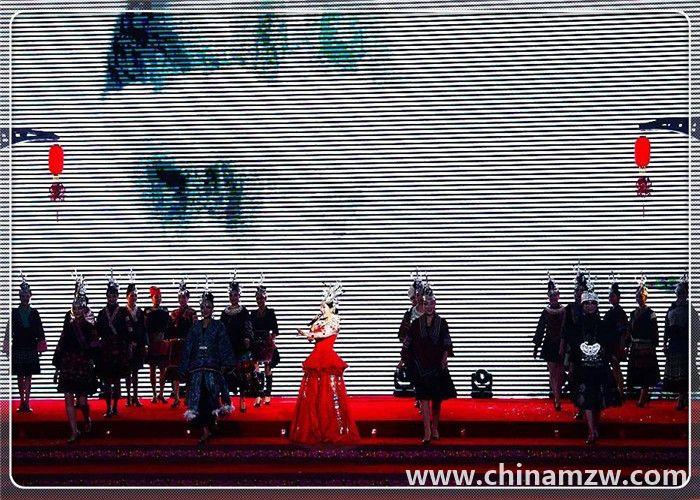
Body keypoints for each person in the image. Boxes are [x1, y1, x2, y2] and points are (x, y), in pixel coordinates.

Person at [291, 281, 359, 445]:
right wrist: (306, 334)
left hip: (327, 358)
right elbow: (313, 337)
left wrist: (308, 334)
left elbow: (325, 334)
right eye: (321, 307)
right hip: (316, 357)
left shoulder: (335, 320)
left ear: (331, 308)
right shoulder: (318, 320)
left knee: (329, 395)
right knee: (313, 394)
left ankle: (331, 428)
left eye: (324, 307)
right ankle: (313, 427)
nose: (321, 310)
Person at [400, 284, 456, 444]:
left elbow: (447, 343)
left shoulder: (442, 322)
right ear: (423, 305)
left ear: (435, 304)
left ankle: (435, 427)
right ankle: (427, 431)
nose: (429, 306)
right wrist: (403, 359)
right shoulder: (416, 323)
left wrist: (444, 358)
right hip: (421, 366)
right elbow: (407, 342)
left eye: (431, 303)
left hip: (437, 366)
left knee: (436, 399)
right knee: (423, 398)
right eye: (426, 304)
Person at [178, 287, 234, 445]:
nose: (205, 310)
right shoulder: (195, 326)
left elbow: (224, 345)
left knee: (211, 398)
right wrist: (183, 367)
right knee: (199, 400)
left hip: (213, 369)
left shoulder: (219, 326)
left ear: (213, 308)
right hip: (197, 370)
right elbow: (188, 347)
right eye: (202, 307)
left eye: (208, 307)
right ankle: (205, 430)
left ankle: (211, 425)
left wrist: (226, 363)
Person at [568, 278, 620, 445]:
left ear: (596, 305)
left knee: (597, 400)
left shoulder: (603, 325)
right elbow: (573, 345)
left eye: (592, 303)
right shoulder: (577, 325)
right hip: (583, 368)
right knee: (587, 399)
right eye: (587, 303)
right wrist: (572, 362)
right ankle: (591, 430)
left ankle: (595, 427)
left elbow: (608, 343)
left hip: (599, 367)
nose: (590, 306)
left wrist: (610, 355)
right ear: (582, 305)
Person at [52, 274, 99, 443]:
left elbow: (94, 343)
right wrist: (57, 361)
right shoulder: (68, 318)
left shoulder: (90, 321)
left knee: (82, 401)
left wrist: (94, 360)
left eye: (80, 306)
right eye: (75, 306)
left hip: (83, 364)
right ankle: (74, 431)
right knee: (68, 398)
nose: (77, 309)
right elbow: (63, 338)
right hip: (68, 362)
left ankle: (86, 418)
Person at [3, 272, 46, 413]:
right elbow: (8, 331)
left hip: (31, 346)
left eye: (27, 296)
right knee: (20, 375)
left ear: (30, 296)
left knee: (28, 375)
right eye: (23, 296)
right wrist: (7, 348)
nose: (25, 298)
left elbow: (40, 330)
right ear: (19, 297)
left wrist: (40, 347)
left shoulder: (35, 312)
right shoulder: (14, 313)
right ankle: (22, 400)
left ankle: (27, 401)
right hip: (18, 346)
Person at [95, 272, 130, 417]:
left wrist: (127, 345)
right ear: (106, 296)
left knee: (117, 380)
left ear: (117, 296)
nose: (111, 298)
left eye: (114, 296)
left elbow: (128, 330)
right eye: (109, 296)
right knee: (107, 380)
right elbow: (97, 331)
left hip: (119, 347)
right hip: (106, 348)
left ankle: (115, 407)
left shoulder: (123, 312)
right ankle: (108, 407)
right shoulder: (101, 313)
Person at [220, 274, 256, 413]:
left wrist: (247, 338)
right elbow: (221, 329)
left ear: (239, 296)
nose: (233, 297)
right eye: (231, 295)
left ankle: (242, 399)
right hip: (228, 347)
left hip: (240, 346)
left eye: (235, 295)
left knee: (242, 374)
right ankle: (226, 401)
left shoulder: (243, 311)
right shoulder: (224, 313)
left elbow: (248, 327)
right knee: (226, 374)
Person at [533, 273, 565, 411]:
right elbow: (540, 329)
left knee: (560, 373)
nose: (553, 298)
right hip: (550, 344)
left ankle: (558, 393)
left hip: (561, 344)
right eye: (551, 296)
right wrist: (536, 346)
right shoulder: (546, 312)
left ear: (558, 296)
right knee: (552, 372)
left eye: (555, 295)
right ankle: (557, 399)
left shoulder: (564, 311)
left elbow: (567, 329)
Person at [663, 274, 696, 410]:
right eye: (679, 292)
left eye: (683, 292)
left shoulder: (690, 309)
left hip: (685, 344)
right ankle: (682, 397)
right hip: (674, 343)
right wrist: (664, 343)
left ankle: (682, 397)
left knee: (684, 372)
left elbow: (695, 327)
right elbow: (666, 326)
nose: (681, 295)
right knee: (677, 373)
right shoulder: (671, 308)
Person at [626, 277, 660, 407]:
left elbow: (655, 330)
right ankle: (642, 395)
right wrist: (627, 344)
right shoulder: (633, 313)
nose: (639, 298)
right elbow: (629, 330)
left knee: (646, 373)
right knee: (638, 373)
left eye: (641, 296)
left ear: (646, 297)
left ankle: (643, 396)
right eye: (637, 296)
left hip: (647, 347)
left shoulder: (651, 313)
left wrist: (654, 344)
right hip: (635, 346)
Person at [561, 263, 588, 419]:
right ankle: (579, 406)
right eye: (577, 291)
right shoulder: (569, 308)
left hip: (588, 349)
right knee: (574, 377)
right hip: (573, 349)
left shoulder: (590, 307)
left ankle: (586, 407)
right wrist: (562, 347)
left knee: (586, 378)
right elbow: (565, 329)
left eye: (582, 291)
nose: (579, 293)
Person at [166, 278, 197, 408]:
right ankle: (177, 397)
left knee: (189, 371)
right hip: (175, 345)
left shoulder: (192, 313)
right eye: (180, 297)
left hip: (187, 345)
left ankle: (188, 397)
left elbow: (195, 329)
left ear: (188, 298)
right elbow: (168, 330)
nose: (182, 300)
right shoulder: (173, 313)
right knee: (175, 372)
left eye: (184, 297)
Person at [250, 275, 279, 407]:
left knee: (268, 367)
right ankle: (258, 394)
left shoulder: (271, 312)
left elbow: (275, 330)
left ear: (265, 298)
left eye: (261, 298)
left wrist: (270, 340)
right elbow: (250, 329)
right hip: (256, 342)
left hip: (267, 342)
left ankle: (268, 393)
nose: (259, 301)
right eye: (258, 298)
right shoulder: (253, 313)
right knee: (256, 368)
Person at [601, 275, 629, 400]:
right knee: (614, 367)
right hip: (609, 343)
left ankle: (621, 391)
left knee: (616, 367)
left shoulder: (620, 313)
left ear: (618, 298)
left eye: (613, 296)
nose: (611, 298)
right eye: (610, 296)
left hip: (616, 344)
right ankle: (617, 390)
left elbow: (624, 331)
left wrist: (622, 345)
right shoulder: (609, 312)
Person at [144, 286, 171, 404]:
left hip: (162, 341)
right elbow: (145, 328)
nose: (158, 299)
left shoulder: (165, 310)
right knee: (152, 368)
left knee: (163, 369)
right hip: (151, 342)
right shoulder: (147, 311)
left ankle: (161, 393)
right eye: (156, 297)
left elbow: (168, 327)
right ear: (151, 298)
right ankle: (154, 394)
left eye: (159, 297)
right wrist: (146, 343)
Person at [123, 277, 147, 407]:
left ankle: (135, 397)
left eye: (135, 295)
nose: (134, 298)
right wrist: (126, 343)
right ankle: (128, 397)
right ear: (127, 297)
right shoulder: (122, 311)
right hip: (127, 345)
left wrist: (144, 344)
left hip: (137, 345)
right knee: (127, 372)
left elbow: (143, 329)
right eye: (132, 295)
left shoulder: (140, 311)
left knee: (136, 372)